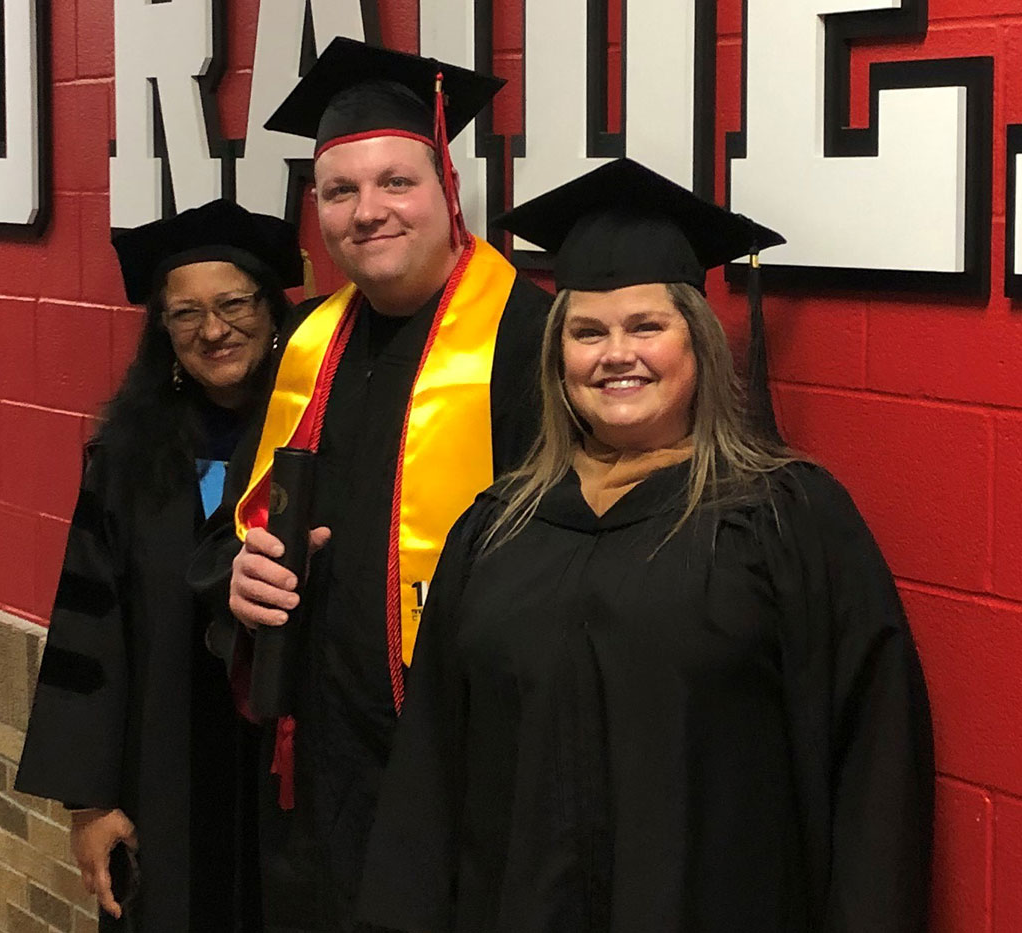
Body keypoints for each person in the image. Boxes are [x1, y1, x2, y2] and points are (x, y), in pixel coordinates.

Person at [357, 159, 935, 932]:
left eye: (646, 327)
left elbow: (874, 770)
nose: (614, 354)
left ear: (697, 344)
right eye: (587, 332)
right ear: (558, 360)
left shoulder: (785, 519)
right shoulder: (496, 530)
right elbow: (430, 774)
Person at [188, 37, 552, 932]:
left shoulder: (534, 341)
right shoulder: (305, 343)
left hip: (468, 770)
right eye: (340, 191)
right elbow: (235, 529)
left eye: (397, 181)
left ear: (448, 189)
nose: (367, 211)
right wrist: (237, 581)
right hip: (319, 770)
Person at [15, 199, 306, 931]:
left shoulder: (317, 439)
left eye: (234, 303)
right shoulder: (129, 459)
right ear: (163, 330)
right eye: (185, 313)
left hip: (293, 779)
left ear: (273, 312)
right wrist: (88, 801)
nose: (213, 330)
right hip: (163, 780)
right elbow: (91, 629)